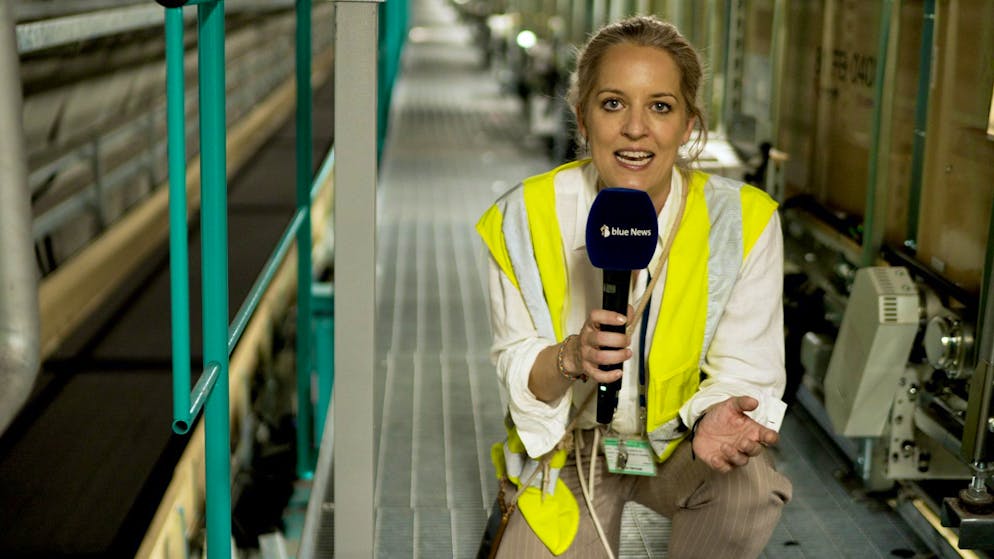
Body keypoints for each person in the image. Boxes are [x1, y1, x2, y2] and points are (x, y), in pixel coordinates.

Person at [476, 15, 792, 559]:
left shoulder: (743, 222)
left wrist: (721, 412)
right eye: (613, 103)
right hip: (569, 449)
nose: (636, 129)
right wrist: (571, 356)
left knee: (749, 486)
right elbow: (516, 366)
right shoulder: (520, 219)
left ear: (689, 125)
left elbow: (748, 368)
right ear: (583, 117)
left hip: (680, 444)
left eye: (661, 107)